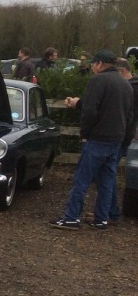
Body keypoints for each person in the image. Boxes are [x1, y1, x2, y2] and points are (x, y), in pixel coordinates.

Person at [50, 50, 134, 230]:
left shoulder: (98, 81)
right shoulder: (126, 85)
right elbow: (129, 115)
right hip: (116, 139)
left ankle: (71, 217)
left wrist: (85, 134)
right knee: (106, 181)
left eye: (93, 64)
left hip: (97, 139)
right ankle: (101, 219)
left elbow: (90, 110)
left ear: (100, 64)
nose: (92, 68)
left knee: (82, 179)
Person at [106, 58, 138, 225]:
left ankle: (111, 212)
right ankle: (110, 211)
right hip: (127, 136)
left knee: (108, 173)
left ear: (122, 72)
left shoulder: (131, 89)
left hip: (122, 136)